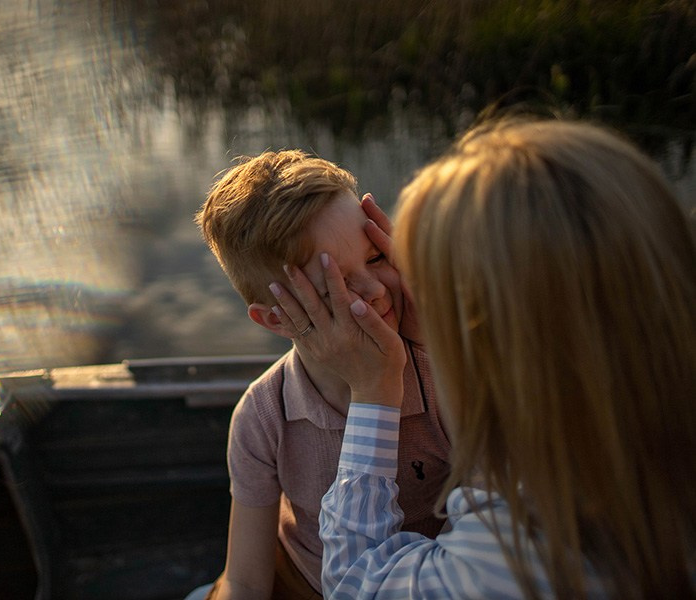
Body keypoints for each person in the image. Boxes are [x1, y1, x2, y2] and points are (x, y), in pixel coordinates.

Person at [270, 118, 696, 598]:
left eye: (445, 305)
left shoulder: (524, 552)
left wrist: (373, 390)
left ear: (515, 350)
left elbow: (355, 583)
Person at [185, 150, 452, 600]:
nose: (375, 291)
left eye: (374, 258)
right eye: (335, 286)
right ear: (275, 319)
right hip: (303, 580)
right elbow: (247, 579)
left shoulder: (445, 376)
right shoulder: (263, 416)